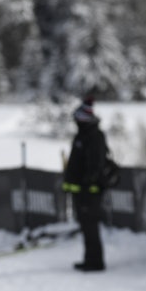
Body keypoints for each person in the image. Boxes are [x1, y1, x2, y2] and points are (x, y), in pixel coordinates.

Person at [62, 95, 110, 272]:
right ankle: (89, 258)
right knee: (86, 226)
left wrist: (87, 184)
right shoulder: (82, 135)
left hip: (90, 192)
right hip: (81, 191)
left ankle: (95, 262)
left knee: (91, 226)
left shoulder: (94, 136)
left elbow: (95, 164)